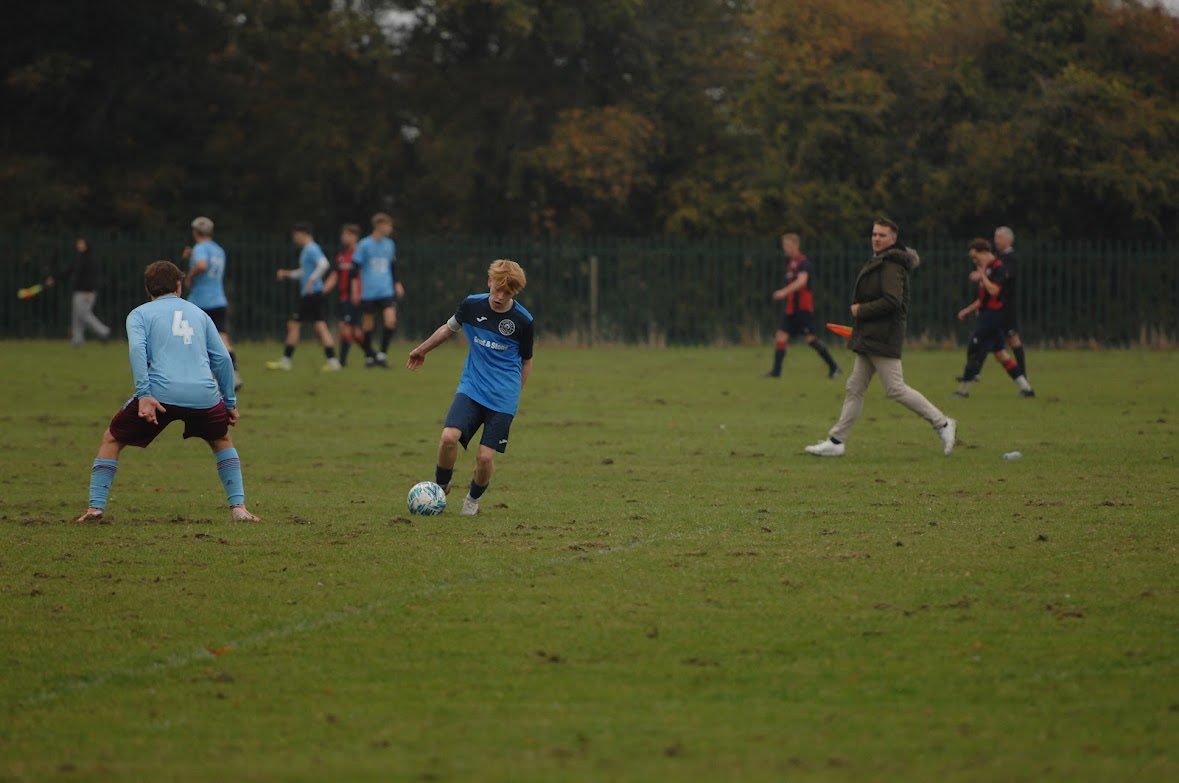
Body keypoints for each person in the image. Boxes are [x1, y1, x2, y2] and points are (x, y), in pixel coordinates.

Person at [75, 260, 259, 523]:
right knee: (221, 440)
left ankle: (95, 508)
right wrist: (229, 402)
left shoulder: (139, 315)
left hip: (159, 396)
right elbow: (223, 360)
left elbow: (137, 352)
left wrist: (144, 394)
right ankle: (239, 508)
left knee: (112, 439)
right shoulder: (199, 314)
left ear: (147, 288)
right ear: (178, 285)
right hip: (204, 395)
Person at [805, 219, 957, 457]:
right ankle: (836, 441)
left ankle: (943, 423)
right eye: (874, 234)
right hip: (870, 336)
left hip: (883, 337)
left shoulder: (891, 265)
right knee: (854, 387)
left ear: (893, 239)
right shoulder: (881, 260)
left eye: (882, 235)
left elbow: (892, 302)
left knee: (895, 388)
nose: (876, 238)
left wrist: (860, 310)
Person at [406, 259, 533, 516]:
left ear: (514, 293)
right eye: (497, 289)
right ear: (489, 282)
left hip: (503, 397)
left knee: (485, 457)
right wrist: (422, 350)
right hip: (472, 388)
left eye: (506, 293)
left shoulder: (523, 320)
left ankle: (473, 499)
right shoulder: (472, 304)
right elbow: (448, 329)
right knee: (448, 437)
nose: (499, 297)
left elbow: (526, 360)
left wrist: (514, 395)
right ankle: (440, 487)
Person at [954, 238, 1035, 398]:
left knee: (974, 347)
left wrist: (983, 275)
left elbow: (994, 291)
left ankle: (964, 388)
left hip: (992, 317)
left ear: (984, 253)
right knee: (1000, 354)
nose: (974, 261)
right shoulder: (989, 268)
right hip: (988, 315)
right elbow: (983, 299)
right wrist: (967, 310)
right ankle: (1026, 389)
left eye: (975, 257)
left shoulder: (997, 267)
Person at [266, 223, 341, 372]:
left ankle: (286, 361)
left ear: (302, 234)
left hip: (311, 294)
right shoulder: (307, 250)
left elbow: (324, 264)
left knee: (294, 324)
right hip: (313, 294)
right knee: (320, 326)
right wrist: (288, 274)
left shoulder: (312, 248)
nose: (295, 239)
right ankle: (333, 361)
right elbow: (304, 272)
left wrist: (312, 280)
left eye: (295, 235)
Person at [768, 233, 840, 379]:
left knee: (810, 339)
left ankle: (834, 367)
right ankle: (776, 373)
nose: (785, 248)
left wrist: (783, 292)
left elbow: (802, 281)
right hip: (791, 309)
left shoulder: (803, 263)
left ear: (796, 245)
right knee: (781, 337)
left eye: (788, 245)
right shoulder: (790, 264)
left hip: (802, 309)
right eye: (784, 246)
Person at [182, 216, 242, 390]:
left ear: (196, 232)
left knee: (191, 338)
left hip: (200, 300)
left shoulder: (200, 248)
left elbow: (201, 265)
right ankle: (234, 375)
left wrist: (189, 276)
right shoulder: (218, 250)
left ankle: (198, 376)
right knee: (223, 338)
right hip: (218, 299)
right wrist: (191, 256)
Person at [352, 212, 405, 368]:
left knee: (390, 321)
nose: (390, 229)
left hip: (386, 290)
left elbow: (392, 266)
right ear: (379, 226)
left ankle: (382, 354)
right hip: (369, 291)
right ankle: (369, 356)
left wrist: (397, 283)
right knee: (368, 325)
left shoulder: (390, 244)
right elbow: (355, 270)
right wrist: (355, 290)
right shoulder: (364, 245)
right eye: (388, 226)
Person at [46, 237, 111, 345]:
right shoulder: (78, 259)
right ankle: (78, 338)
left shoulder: (91, 260)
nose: (79, 246)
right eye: (78, 244)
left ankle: (103, 331)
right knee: (76, 316)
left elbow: (94, 276)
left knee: (83, 314)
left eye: (81, 244)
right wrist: (54, 279)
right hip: (78, 291)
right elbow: (67, 271)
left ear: (87, 245)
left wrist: (91, 291)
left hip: (87, 292)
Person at [993, 226, 1027, 375]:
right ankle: (971, 374)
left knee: (1012, 339)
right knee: (984, 339)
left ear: (1008, 240)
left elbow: (1006, 277)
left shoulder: (1011, 258)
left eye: (999, 237)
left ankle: (1023, 376)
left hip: (1006, 307)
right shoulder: (997, 258)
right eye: (995, 237)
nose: (996, 240)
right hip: (994, 306)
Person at [333, 224, 363, 367]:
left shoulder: (360, 255)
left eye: (346, 235)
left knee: (345, 327)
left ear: (354, 236)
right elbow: (334, 275)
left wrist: (357, 292)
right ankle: (373, 355)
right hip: (344, 296)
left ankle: (342, 362)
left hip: (356, 296)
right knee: (354, 332)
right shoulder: (341, 256)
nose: (343, 238)